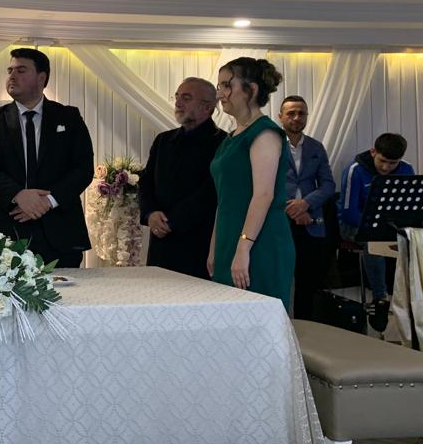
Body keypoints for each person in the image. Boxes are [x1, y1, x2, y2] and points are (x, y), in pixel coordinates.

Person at [0, 48, 94, 268]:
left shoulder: (69, 117)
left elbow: (83, 168)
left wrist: (48, 201)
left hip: (58, 233)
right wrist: (18, 195)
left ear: (41, 77)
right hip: (3, 231)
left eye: (21, 70)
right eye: (10, 70)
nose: (12, 76)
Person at [207, 57, 295, 308]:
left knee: (256, 315)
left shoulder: (265, 133)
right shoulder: (231, 137)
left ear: (252, 90)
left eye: (227, 85)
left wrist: (244, 248)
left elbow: (263, 195)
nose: (220, 94)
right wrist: (215, 246)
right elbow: (225, 199)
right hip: (232, 237)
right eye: (219, 86)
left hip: (260, 241)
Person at [139, 78, 225, 279]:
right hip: (160, 239)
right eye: (177, 97)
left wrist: (173, 221)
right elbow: (146, 181)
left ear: (207, 107)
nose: (177, 103)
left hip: (198, 240)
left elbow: (211, 191)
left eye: (186, 98)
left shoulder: (222, 143)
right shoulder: (163, 140)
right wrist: (150, 213)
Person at [338, 133, 414, 324]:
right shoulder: (355, 170)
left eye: (393, 163)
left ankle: (414, 293)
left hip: (389, 225)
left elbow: (409, 208)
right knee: (373, 241)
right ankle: (381, 298)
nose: (386, 167)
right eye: (383, 161)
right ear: (373, 152)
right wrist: (378, 227)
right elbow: (348, 212)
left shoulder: (407, 169)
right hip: (354, 225)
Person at [278, 95, 336, 320]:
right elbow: (264, 183)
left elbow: (328, 184)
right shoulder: (270, 143)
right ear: (280, 116)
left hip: (311, 222)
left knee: (308, 285)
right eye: (291, 113)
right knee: (279, 280)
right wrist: (292, 209)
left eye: (301, 113)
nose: (296, 117)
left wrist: (306, 204)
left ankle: (306, 332)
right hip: (279, 222)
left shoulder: (316, 147)